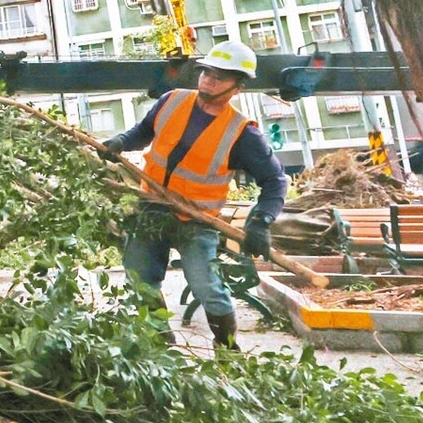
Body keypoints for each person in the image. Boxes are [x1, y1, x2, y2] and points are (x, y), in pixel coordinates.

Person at [102, 41, 287, 351]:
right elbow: (144, 130)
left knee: (206, 287)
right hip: (153, 208)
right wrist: (122, 140)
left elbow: (275, 181)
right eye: (207, 72)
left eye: (219, 76)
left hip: (197, 222)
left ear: (237, 87)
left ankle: (226, 348)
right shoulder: (171, 101)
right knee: (140, 277)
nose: (208, 80)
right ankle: (160, 340)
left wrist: (261, 222)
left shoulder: (242, 133)